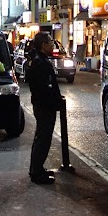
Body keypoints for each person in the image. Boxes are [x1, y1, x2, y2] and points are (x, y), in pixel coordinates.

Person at [24, 32, 63, 184]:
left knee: (41, 137)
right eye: (51, 42)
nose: (53, 45)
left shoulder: (37, 59)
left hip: (41, 104)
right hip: (44, 106)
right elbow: (45, 87)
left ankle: (37, 168)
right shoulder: (41, 62)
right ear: (43, 45)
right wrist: (55, 101)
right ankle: (37, 172)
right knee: (43, 138)